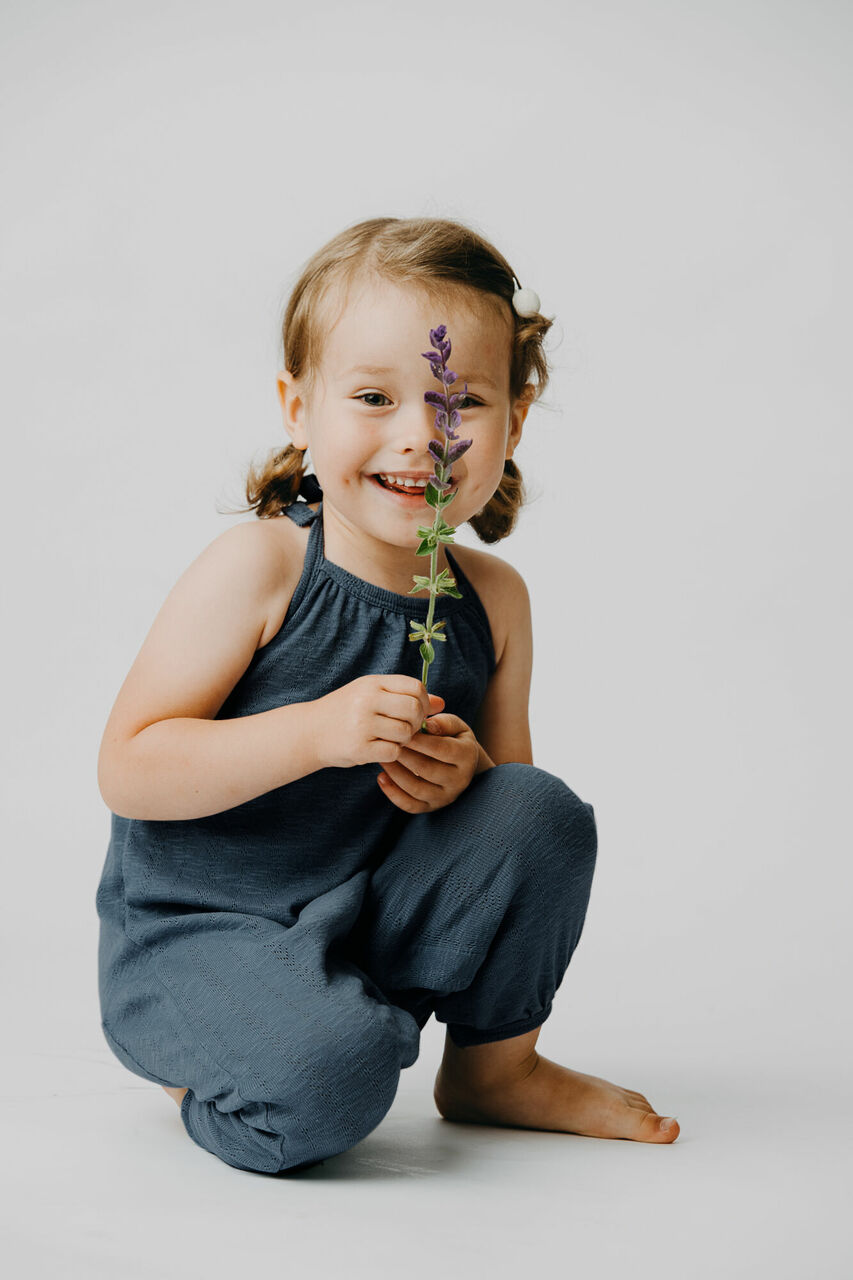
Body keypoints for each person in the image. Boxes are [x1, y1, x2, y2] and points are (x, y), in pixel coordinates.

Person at [95, 215, 679, 1175]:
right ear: (297, 409)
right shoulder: (263, 567)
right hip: (202, 938)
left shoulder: (494, 599)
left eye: (462, 401)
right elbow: (128, 767)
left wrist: (466, 774)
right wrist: (311, 733)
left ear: (513, 422)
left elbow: (507, 826)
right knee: (334, 1085)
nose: (421, 435)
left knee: (542, 811)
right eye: (372, 396)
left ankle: (495, 1070)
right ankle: (202, 1055)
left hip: (366, 925)